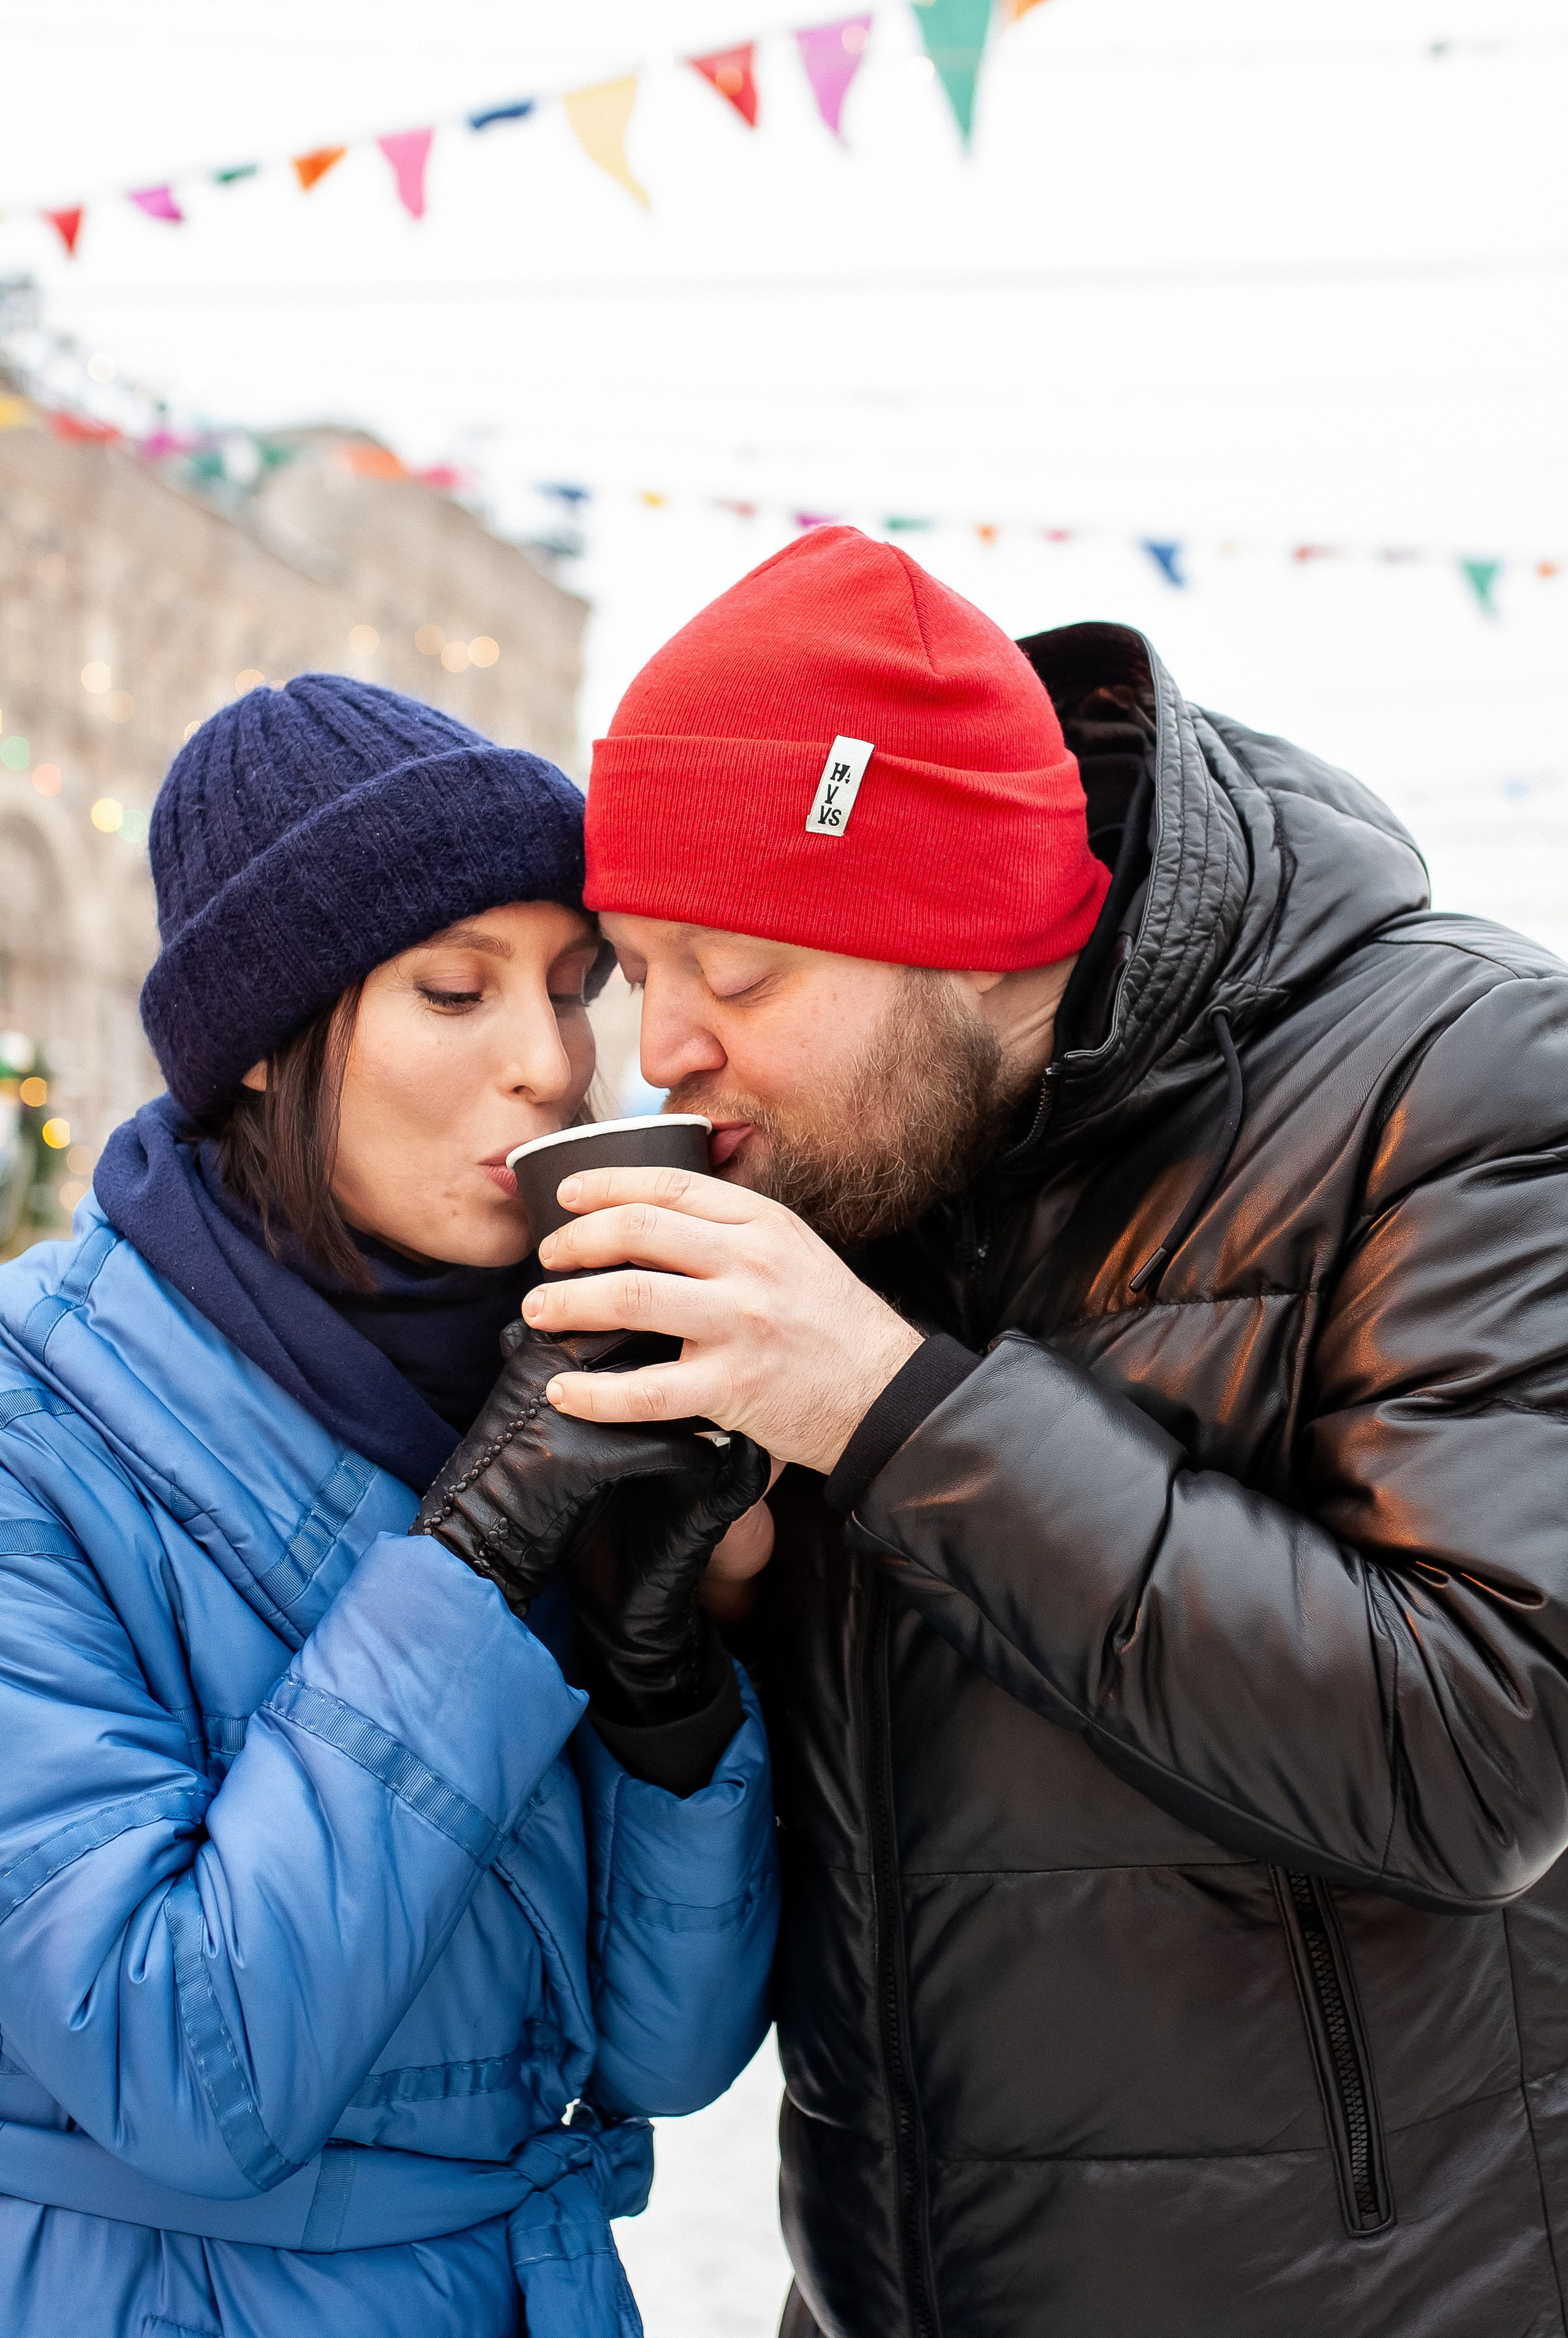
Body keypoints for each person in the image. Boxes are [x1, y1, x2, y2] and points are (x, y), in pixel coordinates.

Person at [508, 527, 1568, 2334]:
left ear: (966, 928)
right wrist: (700, 1615)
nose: (663, 1046)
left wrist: (892, 1414)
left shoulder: (1459, 1077)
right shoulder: (854, 1164)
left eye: (734, 969)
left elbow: (1482, 1755)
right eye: (636, 965)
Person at [0, 675, 778, 2338]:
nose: (554, 1063)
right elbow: (183, 2061)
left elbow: (665, 2058)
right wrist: (471, 1569)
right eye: (453, 991)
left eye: (575, 989)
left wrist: (666, 1689)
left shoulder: (547, 1380)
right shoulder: (33, 1429)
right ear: (267, 1053)